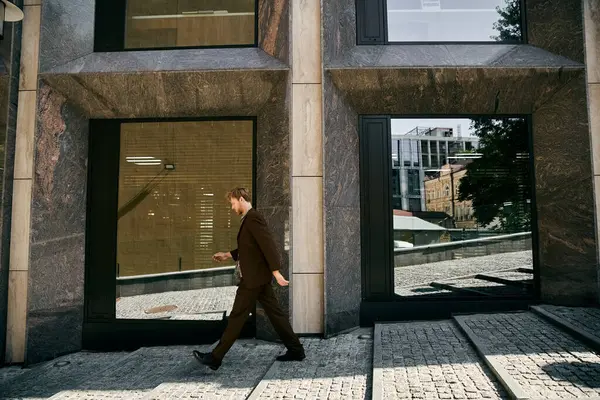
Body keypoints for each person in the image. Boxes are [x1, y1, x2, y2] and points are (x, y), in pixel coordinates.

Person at [193, 187, 305, 370]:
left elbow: (268, 246)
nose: (232, 207)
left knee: (237, 316)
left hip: (252, 280)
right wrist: (227, 255)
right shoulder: (249, 219)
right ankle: (296, 350)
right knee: (275, 315)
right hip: (258, 279)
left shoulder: (253, 218)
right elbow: (249, 249)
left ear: (240, 199)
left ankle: (215, 357)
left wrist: (276, 272)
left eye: (233, 203)